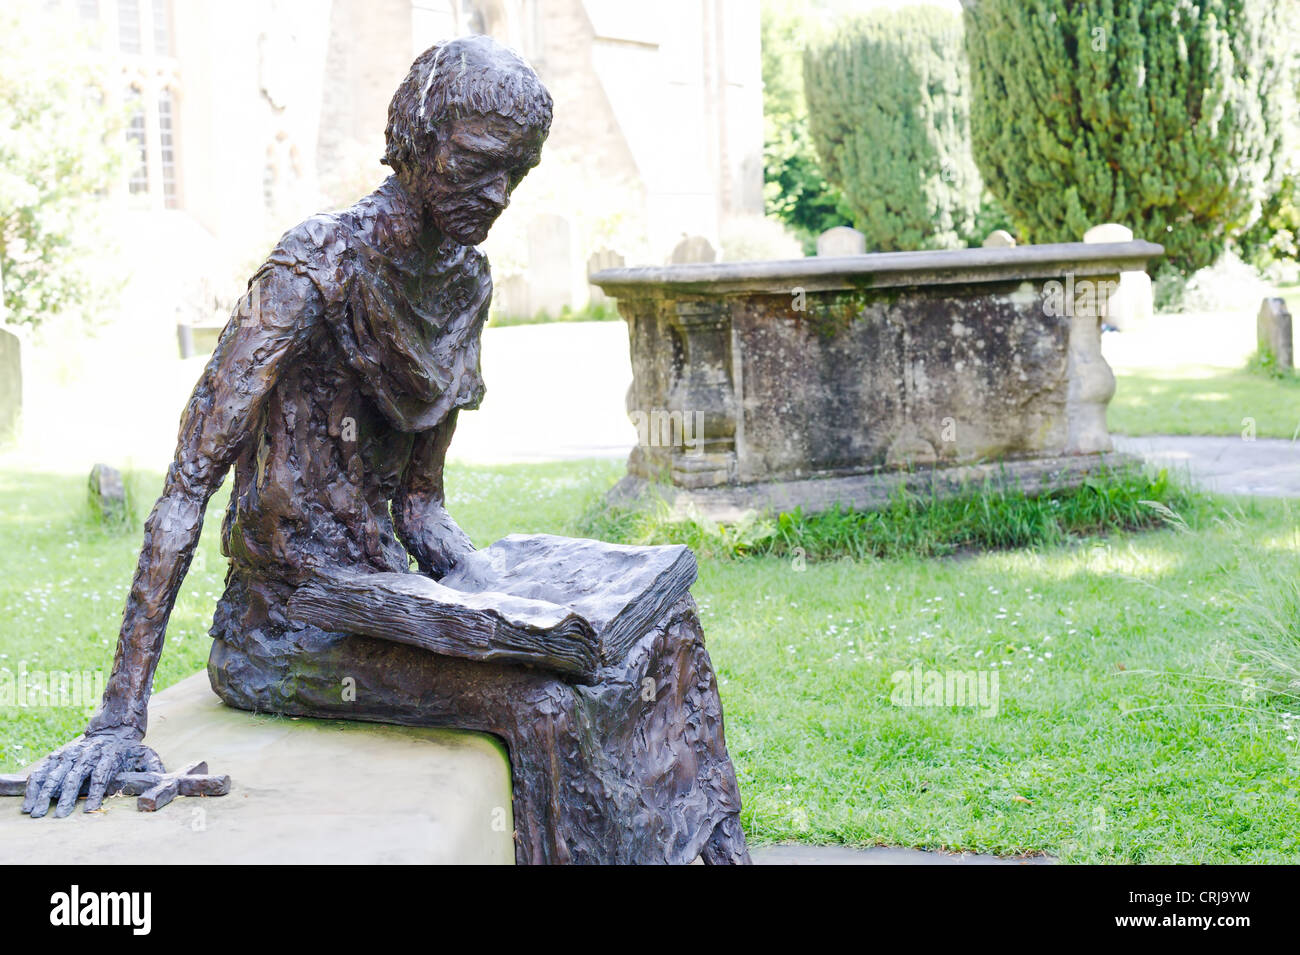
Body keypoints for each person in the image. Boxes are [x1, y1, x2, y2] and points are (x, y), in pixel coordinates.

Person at [21, 34, 749, 864]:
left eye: (517, 171)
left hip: (381, 599)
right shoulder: (310, 274)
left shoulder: (466, 284)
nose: (500, 194)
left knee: (663, 635)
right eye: (480, 163)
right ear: (419, 139)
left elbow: (421, 508)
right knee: (548, 707)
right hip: (285, 630)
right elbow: (187, 485)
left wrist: (507, 591)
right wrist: (118, 716)